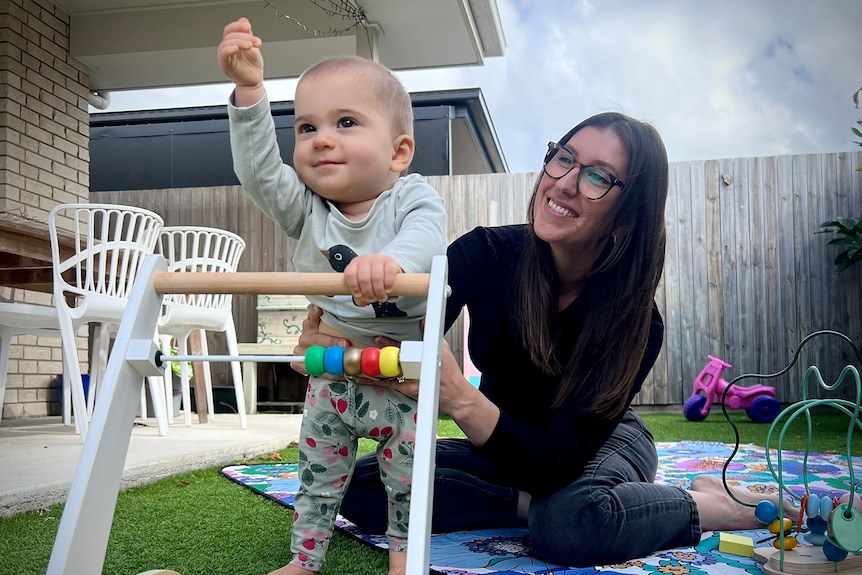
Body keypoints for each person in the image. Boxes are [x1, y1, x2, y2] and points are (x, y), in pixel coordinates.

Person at [292, 112, 799, 566]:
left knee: (569, 527)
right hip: (503, 441)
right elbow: (401, 329)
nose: (566, 183)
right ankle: (536, 504)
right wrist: (338, 343)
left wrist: (460, 398)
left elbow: (561, 456)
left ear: (627, 215)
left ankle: (703, 504)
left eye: (598, 176)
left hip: (597, 443)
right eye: (564, 159)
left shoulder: (637, 320)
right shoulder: (485, 253)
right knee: (363, 491)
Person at [218, 17, 448, 575]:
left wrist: (390, 262)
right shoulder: (307, 210)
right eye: (306, 127)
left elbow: (426, 239)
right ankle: (304, 560)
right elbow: (258, 174)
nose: (321, 138)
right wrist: (251, 95)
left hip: (403, 380)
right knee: (317, 476)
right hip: (333, 376)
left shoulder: (413, 198)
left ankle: (403, 559)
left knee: (406, 480)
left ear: (398, 153)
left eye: (346, 122)